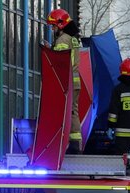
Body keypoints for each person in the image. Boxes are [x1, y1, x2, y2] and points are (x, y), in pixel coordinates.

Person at [48, 8, 82, 154]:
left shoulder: (62, 40)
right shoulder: (73, 39)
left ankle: (68, 143)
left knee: (65, 112)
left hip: (66, 82)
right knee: (73, 111)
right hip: (75, 81)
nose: (53, 29)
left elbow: (60, 61)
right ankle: (75, 143)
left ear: (60, 24)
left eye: (54, 26)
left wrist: (50, 50)